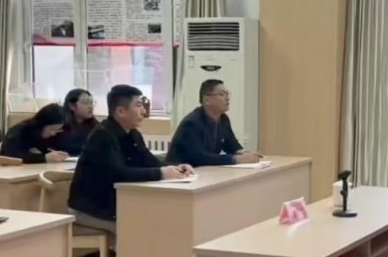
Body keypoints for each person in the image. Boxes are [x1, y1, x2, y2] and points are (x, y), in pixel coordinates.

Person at [69, 85, 194, 232]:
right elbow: (119, 174)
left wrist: (177, 167)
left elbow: (150, 162)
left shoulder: (133, 134)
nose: (143, 111)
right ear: (121, 111)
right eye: (138, 105)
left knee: (160, 218)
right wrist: (161, 173)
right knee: (140, 228)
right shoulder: (102, 136)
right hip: (90, 209)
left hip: (115, 204)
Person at [167, 79, 260, 166]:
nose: (227, 98)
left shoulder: (223, 119)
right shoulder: (191, 123)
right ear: (207, 100)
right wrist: (235, 159)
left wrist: (244, 153)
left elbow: (232, 146)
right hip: (182, 172)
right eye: (222, 94)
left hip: (206, 172)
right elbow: (199, 157)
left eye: (227, 94)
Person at [0, 104, 69, 164]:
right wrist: (44, 158)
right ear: (42, 124)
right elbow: (12, 155)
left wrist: (54, 154)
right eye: (51, 129)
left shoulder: (44, 135)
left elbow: (42, 151)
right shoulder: (19, 131)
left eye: (57, 130)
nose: (53, 133)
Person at [54, 88, 100, 156]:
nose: (90, 106)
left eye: (91, 103)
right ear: (72, 106)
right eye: (85, 102)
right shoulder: (59, 126)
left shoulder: (97, 128)